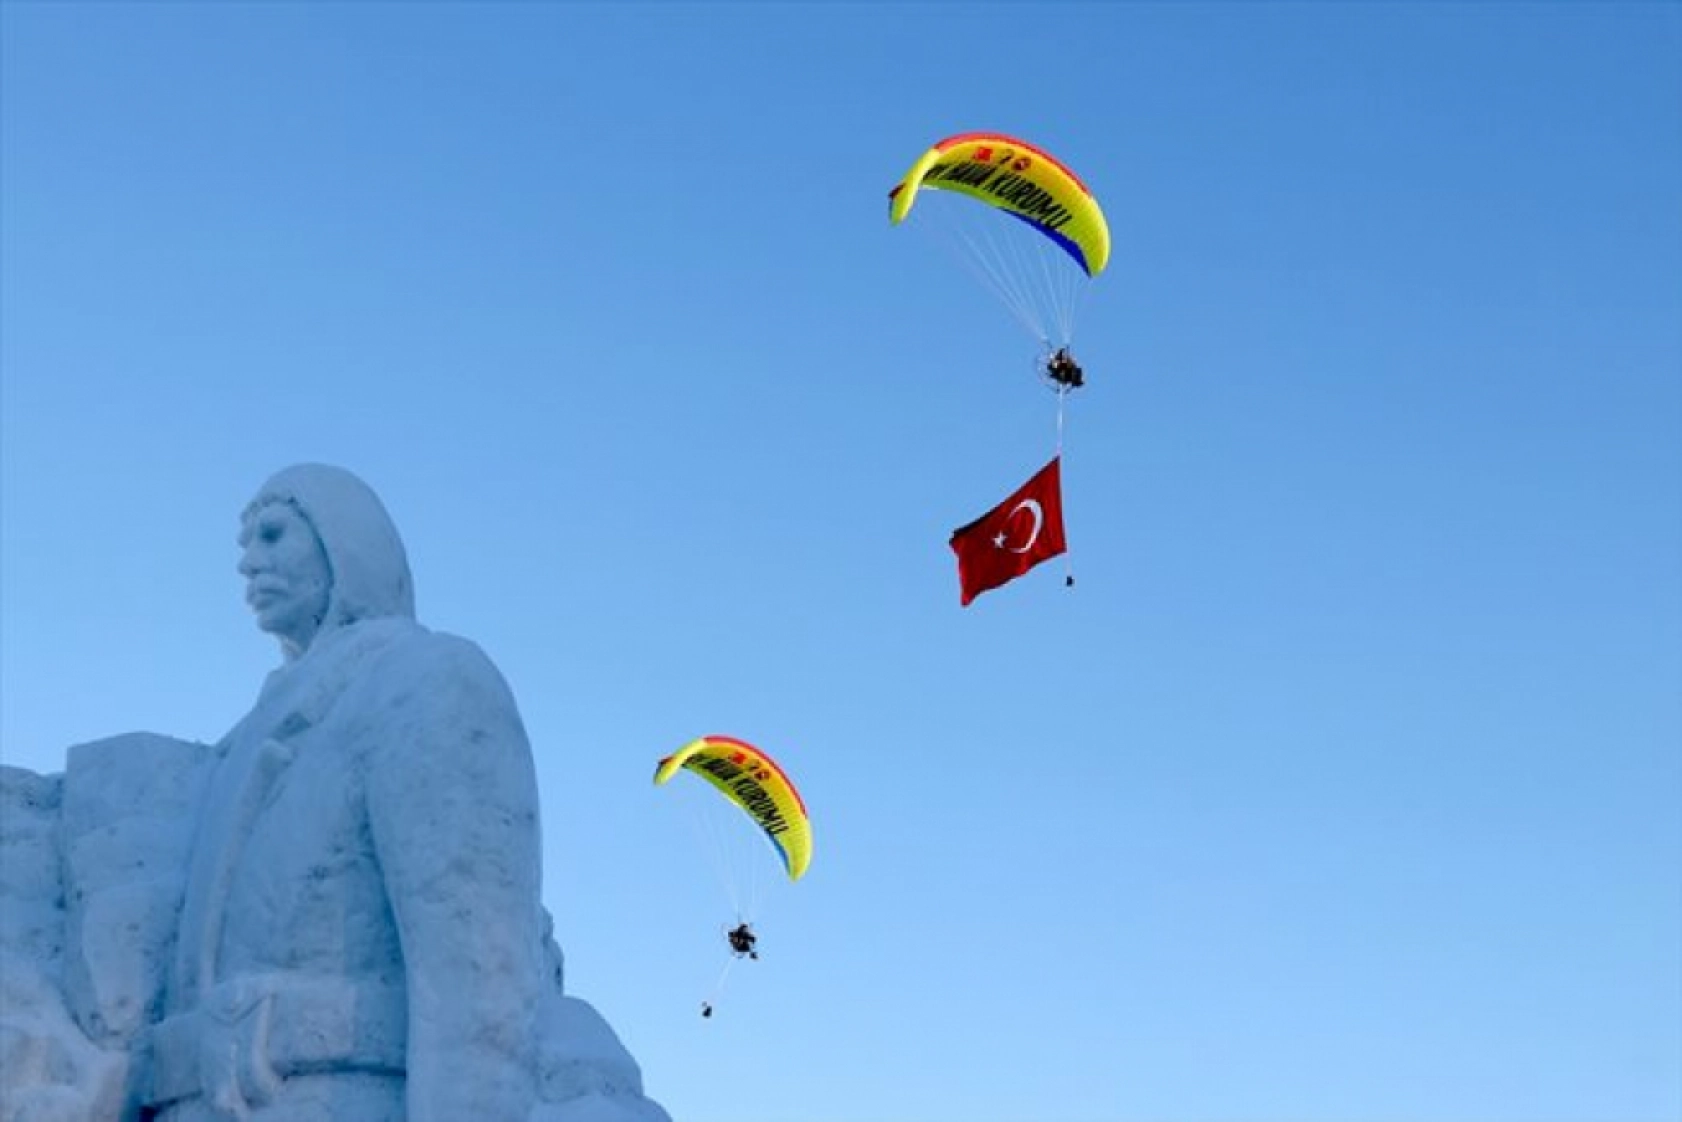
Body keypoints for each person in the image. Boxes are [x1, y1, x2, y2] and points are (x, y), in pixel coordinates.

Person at [142, 464, 547, 1122]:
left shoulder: (426, 677)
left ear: (345, 544)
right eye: (244, 548)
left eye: (273, 536)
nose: (249, 565)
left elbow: (477, 976)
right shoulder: (243, 738)